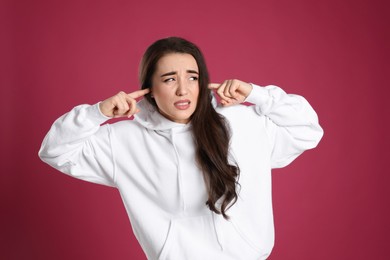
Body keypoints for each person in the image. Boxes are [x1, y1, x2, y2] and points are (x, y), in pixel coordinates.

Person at [39, 37, 323, 260]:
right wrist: (98, 113)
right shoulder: (123, 139)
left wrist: (256, 94)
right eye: (170, 79)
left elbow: (307, 129)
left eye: (192, 77)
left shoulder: (243, 123)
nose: (183, 90)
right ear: (149, 87)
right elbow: (55, 150)